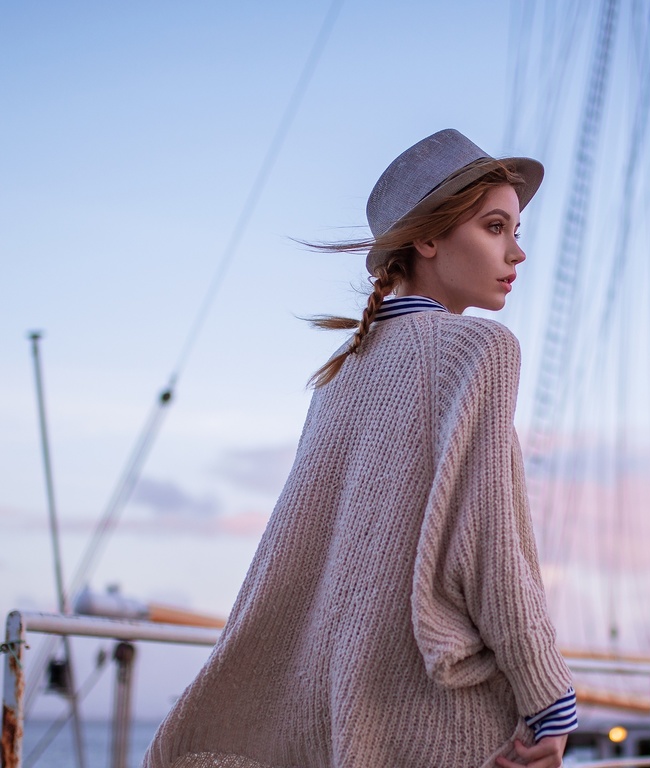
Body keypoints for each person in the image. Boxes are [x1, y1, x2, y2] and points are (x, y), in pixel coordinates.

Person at [144, 129, 577, 768]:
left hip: (345, 719)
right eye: (494, 227)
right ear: (428, 238)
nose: (516, 252)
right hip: (440, 724)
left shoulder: (339, 375)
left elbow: (292, 560)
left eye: (515, 230)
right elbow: (492, 546)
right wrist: (551, 699)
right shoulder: (477, 352)